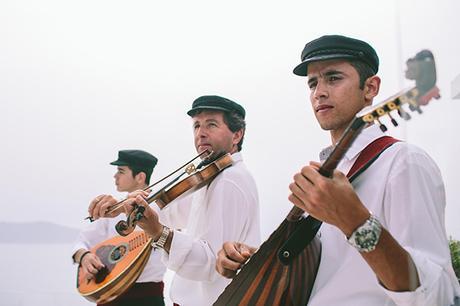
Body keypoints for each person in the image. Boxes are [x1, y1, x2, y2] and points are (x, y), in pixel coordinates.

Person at [216, 35, 460, 305]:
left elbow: (438, 294)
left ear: (370, 88)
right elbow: (327, 273)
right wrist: (259, 262)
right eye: (313, 83)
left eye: (333, 78)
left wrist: (355, 222)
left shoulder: (404, 163)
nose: (319, 91)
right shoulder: (325, 177)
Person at [88, 95, 261, 306]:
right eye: (196, 126)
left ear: (237, 135)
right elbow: (170, 211)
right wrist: (121, 207)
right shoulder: (211, 176)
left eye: (211, 124)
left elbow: (210, 263)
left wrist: (158, 233)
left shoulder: (229, 180)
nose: (201, 133)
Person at [72, 149, 167, 306]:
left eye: (121, 171)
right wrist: (84, 256)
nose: (115, 176)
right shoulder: (112, 211)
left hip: (149, 299)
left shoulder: (162, 207)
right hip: (109, 294)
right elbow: (81, 243)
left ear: (140, 177)